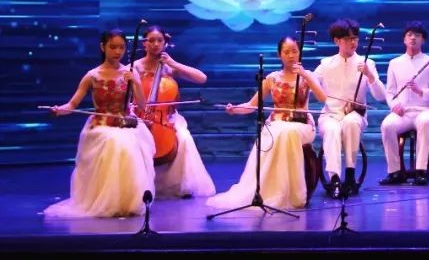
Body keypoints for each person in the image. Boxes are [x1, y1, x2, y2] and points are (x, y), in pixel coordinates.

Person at [44, 29, 156, 218]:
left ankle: (128, 202)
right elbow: (72, 104)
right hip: (102, 126)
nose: (118, 52)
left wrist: (136, 83)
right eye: (113, 47)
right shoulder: (92, 76)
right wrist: (59, 110)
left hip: (126, 124)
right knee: (115, 143)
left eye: (121, 47)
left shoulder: (130, 72)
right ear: (103, 47)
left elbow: (142, 106)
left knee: (126, 144)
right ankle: (109, 202)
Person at [207, 36, 328, 210]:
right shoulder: (272, 78)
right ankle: (269, 190)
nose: (291, 55)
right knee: (275, 132)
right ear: (279, 55)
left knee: (287, 132)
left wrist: (305, 76)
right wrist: (235, 109)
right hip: (277, 124)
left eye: (294, 51)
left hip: (302, 125)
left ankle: (293, 193)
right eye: (286, 52)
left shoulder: (307, 75)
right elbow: (252, 105)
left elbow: (323, 98)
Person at [133, 25, 216, 199]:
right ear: (144, 43)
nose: (156, 44)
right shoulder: (136, 67)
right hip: (140, 116)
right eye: (151, 40)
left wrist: (173, 63)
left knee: (184, 138)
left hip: (168, 118)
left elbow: (202, 78)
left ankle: (178, 184)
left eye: (160, 40)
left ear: (165, 43)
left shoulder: (169, 67)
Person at [314, 19, 385, 197]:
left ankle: (351, 175)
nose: (353, 42)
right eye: (348, 39)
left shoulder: (366, 63)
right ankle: (335, 179)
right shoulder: (326, 64)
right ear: (337, 41)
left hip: (355, 114)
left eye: (355, 38)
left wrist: (369, 75)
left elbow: (380, 96)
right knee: (332, 129)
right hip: (330, 115)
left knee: (350, 123)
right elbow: (310, 85)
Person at [380, 21, 429, 186]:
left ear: (423, 40)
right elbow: (390, 92)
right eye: (409, 35)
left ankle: (421, 171)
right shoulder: (394, 63)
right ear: (404, 39)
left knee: (424, 122)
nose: (413, 38)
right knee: (387, 125)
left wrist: (420, 91)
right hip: (403, 112)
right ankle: (394, 172)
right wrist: (394, 105)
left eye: (417, 35)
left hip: (424, 109)